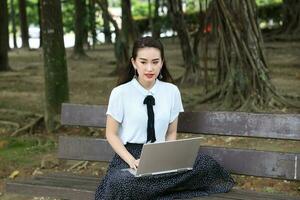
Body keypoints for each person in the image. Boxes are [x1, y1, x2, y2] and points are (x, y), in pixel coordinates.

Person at [95, 36, 234, 200]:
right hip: (130, 156)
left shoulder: (171, 91)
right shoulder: (120, 93)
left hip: (160, 154)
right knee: (120, 182)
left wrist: (168, 159)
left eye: (155, 62)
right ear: (134, 63)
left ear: (162, 62)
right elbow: (111, 134)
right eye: (143, 62)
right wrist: (132, 161)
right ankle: (162, 189)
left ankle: (151, 190)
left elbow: (170, 132)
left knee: (205, 164)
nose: (149, 68)